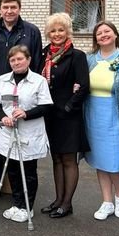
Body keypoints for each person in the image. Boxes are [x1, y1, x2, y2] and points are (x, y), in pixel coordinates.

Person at [0, 0, 43, 203]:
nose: (9, 11)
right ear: (0, 9)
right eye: (5, 7)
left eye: (13, 7)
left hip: (23, 97)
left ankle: (22, 193)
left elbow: (38, 64)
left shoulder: (31, 32)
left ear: (19, 8)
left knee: (23, 144)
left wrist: (34, 95)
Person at [0, 45, 52, 222]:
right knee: (13, 170)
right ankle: (16, 204)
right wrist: (3, 117)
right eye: (12, 60)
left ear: (29, 60)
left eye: (20, 59)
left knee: (29, 171)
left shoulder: (38, 81)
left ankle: (27, 207)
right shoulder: (2, 80)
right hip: (8, 133)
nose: (16, 62)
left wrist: (26, 113)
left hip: (29, 134)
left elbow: (46, 106)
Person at [84, 20, 119, 220]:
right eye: (99, 33)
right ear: (95, 38)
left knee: (115, 162)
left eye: (107, 31)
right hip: (93, 116)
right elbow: (82, 85)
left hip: (117, 117)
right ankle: (106, 202)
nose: (103, 35)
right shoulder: (89, 59)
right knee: (100, 161)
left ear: (115, 35)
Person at [39, 13, 90, 218]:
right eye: (53, 30)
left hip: (68, 116)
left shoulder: (77, 56)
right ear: (48, 33)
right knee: (56, 159)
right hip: (50, 115)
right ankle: (58, 200)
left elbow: (84, 86)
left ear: (68, 32)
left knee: (69, 160)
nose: (57, 34)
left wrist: (68, 107)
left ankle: (67, 204)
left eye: (61, 30)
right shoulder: (44, 55)